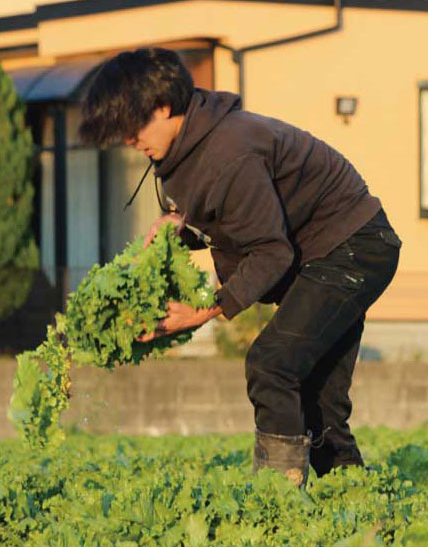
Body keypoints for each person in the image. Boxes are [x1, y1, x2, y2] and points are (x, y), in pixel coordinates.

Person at [79, 47, 401, 487]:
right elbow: (241, 220)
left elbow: (270, 251)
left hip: (353, 247)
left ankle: (277, 501)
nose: (129, 141)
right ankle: (353, 508)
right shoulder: (184, 152)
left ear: (163, 106)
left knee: (273, 365)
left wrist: (205, 310)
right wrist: (184, 226)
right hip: (320, 254)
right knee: (318, 401)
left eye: (133, 126)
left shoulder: (228, 151)